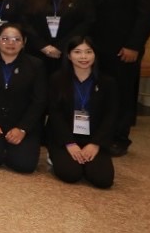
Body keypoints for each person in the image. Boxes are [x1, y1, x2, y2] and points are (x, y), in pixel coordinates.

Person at [80, 0, 150, 157]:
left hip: (124, 49)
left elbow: (146, 15)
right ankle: (93, 132)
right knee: (93, 91)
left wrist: (134, 45)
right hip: (92, 49)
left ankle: (119, 138)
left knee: (122, 93)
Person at [0, 23, 47, 173]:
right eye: (5, 38)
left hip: (21, 123)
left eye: (16, 39)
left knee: (24, 166)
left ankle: (10, 148)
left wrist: (22, 128)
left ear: (24, 42)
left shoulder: (36, 65)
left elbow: (39, 101)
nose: (10, 43)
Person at [47, 36, 116, 188]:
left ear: (95, 55)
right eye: (77, 52)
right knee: (70, 174)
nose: (83, 57)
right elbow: (55, 114)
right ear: (68, 55)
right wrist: (69, 143)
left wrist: (95, 144)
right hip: (65, 137)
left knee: (103, 180)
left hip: (94, 138)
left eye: (88, 52)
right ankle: (55, 156)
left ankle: (87, 159)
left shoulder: (107, 82)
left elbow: (110, 116)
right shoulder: (57, 79)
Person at [26, 0, 95, 79]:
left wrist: (61, 47)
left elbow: (86, 23)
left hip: (69, 51)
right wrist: (43, 46)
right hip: (39, 51)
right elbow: (27, 23)